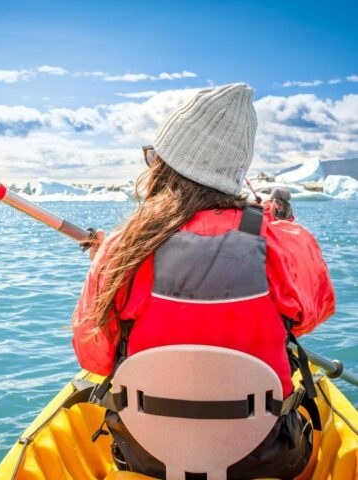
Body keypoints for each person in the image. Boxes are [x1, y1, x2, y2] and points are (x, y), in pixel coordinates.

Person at [71, 84, 335, 479]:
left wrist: (109, 265)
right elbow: (308, 319)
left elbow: (95, 356)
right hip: (267, 456)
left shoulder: (124, 248)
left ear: (164, 167)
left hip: (147, 456)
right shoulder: (284, 242)